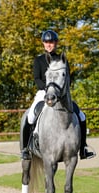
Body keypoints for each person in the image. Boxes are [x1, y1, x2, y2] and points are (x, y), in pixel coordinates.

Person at [20, 30, 95, 160]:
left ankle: (83, 148)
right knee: (31, 116)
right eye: (47, 42)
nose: (49, 45)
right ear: (43, 43)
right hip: (44, 93)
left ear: (56, 43)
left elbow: (68, 79)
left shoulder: (62, 60)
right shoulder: (38, 60)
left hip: (61, 94)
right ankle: (26, 149)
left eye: (52, 42)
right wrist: (48, 89)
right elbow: (37, 79)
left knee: (81, 116)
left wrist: (59, 91)